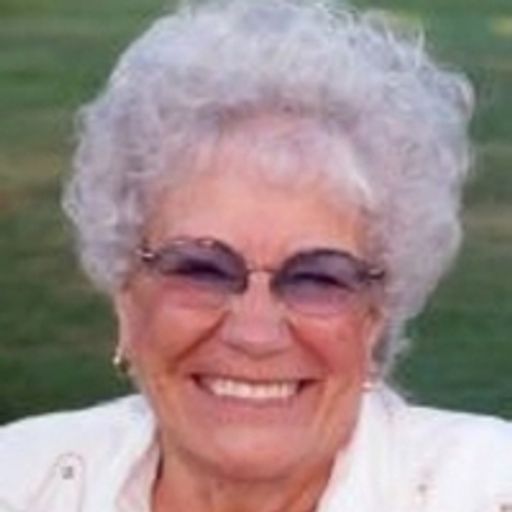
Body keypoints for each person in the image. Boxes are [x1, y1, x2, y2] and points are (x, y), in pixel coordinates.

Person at [1, 0, 511, 511]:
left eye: (317, 279)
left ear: (374, 318)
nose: (255, 333)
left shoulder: (485, 488)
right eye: (201, 270)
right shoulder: (22, 477)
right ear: (126, 299)